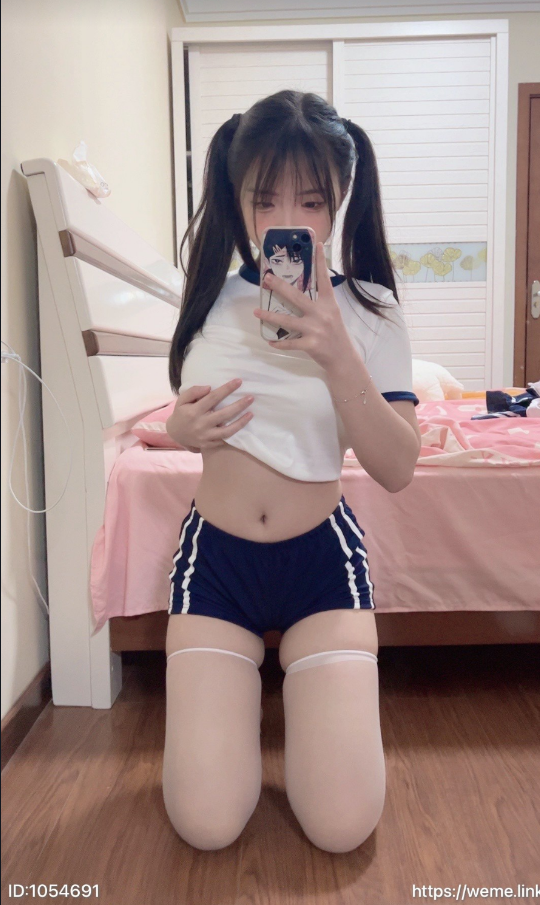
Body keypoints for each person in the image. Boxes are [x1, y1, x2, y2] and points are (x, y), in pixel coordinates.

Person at [162, 89, 421, 854]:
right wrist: (180, 429)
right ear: (238, 198)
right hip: (218, 560)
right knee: (206, 823)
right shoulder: (208, 299)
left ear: (339, 197)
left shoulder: (371, 310)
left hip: (320, 562)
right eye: (265, 198)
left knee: (343, 826)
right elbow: (182, 414)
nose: (288, 218)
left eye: (310, 201)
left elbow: (399, 466)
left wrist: (337, 352)